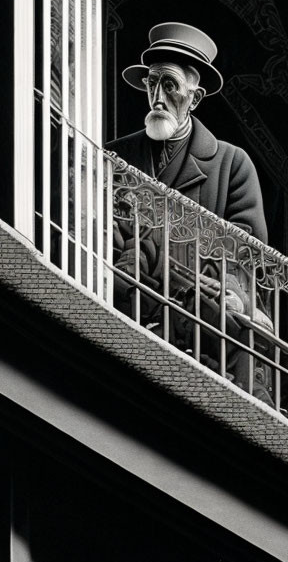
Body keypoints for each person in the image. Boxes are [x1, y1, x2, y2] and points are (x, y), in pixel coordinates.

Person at [108, 22, 271, 401]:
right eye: (151, 84)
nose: (157, 97)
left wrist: (231, 293)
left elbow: (246, 250)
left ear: (194, 99)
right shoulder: (114, 157)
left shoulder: (232, 163)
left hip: (198, 314)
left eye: (170, 86)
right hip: (127, 301)